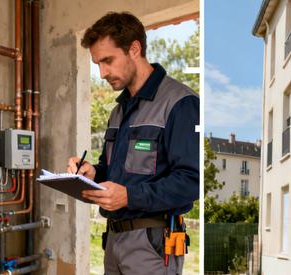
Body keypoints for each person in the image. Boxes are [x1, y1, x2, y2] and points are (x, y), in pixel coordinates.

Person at [66, 12, 200, 274]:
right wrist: (92, 172)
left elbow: (191, 181)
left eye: (108, 61)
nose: (103, 72)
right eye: (97, 64)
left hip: (151, 245)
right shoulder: (119, 111)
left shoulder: (180, 104)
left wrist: (129, 196)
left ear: (135, 49)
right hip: (114, 240)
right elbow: (113, 170)